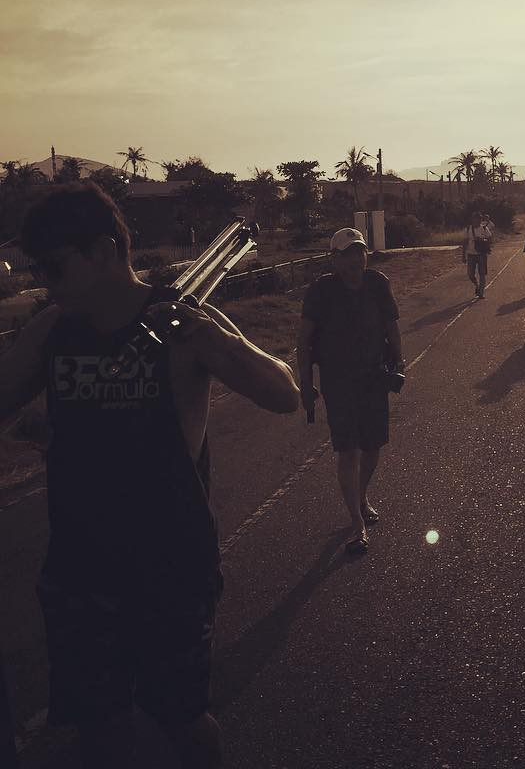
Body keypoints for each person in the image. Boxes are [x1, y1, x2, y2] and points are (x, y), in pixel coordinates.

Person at [0, 183, 299, 769]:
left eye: (54, 267)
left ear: (103, 251)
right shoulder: (52, 330)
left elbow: (285, 394)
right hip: (79, 564)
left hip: (170, 564)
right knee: (97, 726)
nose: (46, 282)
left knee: (182, 720)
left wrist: (215, 338)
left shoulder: (185, 322)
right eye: (38, 269)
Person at [298, 228, 404, 555]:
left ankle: (360, 496)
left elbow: (391, 326)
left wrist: (399, 363)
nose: (356, 259)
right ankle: (357, 524)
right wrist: (305, 384)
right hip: (338, 382)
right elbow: (303, 341)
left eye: (359, 252)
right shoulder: (321, 291)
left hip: (374, 377)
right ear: (334, 259)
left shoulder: (377, 283)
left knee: (373, 447)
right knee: (349, 450)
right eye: (347, 254)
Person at [461, 211, 493, 299]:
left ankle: (481, 292)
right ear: (472, 220)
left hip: (481, 254)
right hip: (471, 254)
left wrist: (482, 240)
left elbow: (490, 239)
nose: (477, 221)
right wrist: (463, 255)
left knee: (482, 274)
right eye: (475, 219)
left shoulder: (484, 228)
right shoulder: (468, 229)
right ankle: (477, 285)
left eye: (479, 219)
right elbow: (464, 243)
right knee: (470, 274)